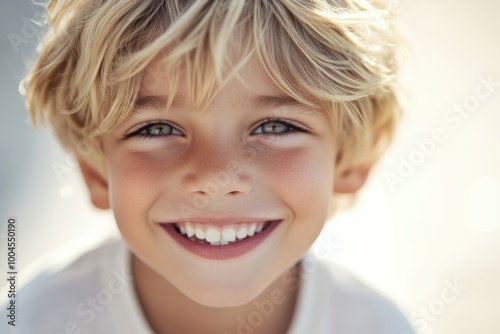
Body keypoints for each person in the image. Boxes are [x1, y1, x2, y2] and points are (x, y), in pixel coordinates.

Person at [1, 0, 414, 333]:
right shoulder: (31, 321)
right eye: (158, 128)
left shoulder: (378, 325)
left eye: (275, 126)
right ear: (96, 171)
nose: (217, 178)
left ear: (348, 162)